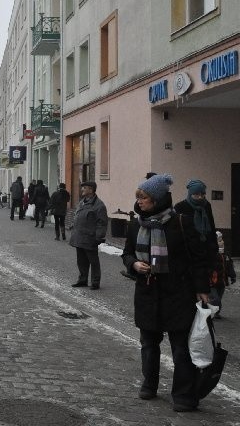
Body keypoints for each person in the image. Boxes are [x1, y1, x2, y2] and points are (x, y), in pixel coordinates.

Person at [120, 173, 210, 412]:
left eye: (145, 198)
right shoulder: (135, 224)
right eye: (138, 198)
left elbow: (199, 259)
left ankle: (183, 395)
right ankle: (149, 384)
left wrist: (202, 289)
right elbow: (127, 253)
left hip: (177, 293)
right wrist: (134, 265)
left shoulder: (181, 222)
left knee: (180, 347)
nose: (140, 202)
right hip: (147, 293)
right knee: (149, 344)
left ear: (158, 199)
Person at [69, 181, 108, 289]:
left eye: (84, 188)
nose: (82, 190)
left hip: (90, 237)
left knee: (93, 261)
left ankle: (95, 282)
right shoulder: (82, 202)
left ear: (91, 190)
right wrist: (73, 224)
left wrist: (99, 236)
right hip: (79, 236)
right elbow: (78, 214)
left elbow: (102, 223)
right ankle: (82, 279)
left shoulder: (99, 205)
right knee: (81, 261)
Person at [209, 231, 236, 318]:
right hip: (212, 281)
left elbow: (229, 266)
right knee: (215, 299)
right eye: (219, 240)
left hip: (222, 281)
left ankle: (216, 313)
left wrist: (233, 276)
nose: (221, 241)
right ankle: (211, 312)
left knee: (219, 298)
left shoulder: (226, 255)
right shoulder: (211, 253)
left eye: (221, 239)